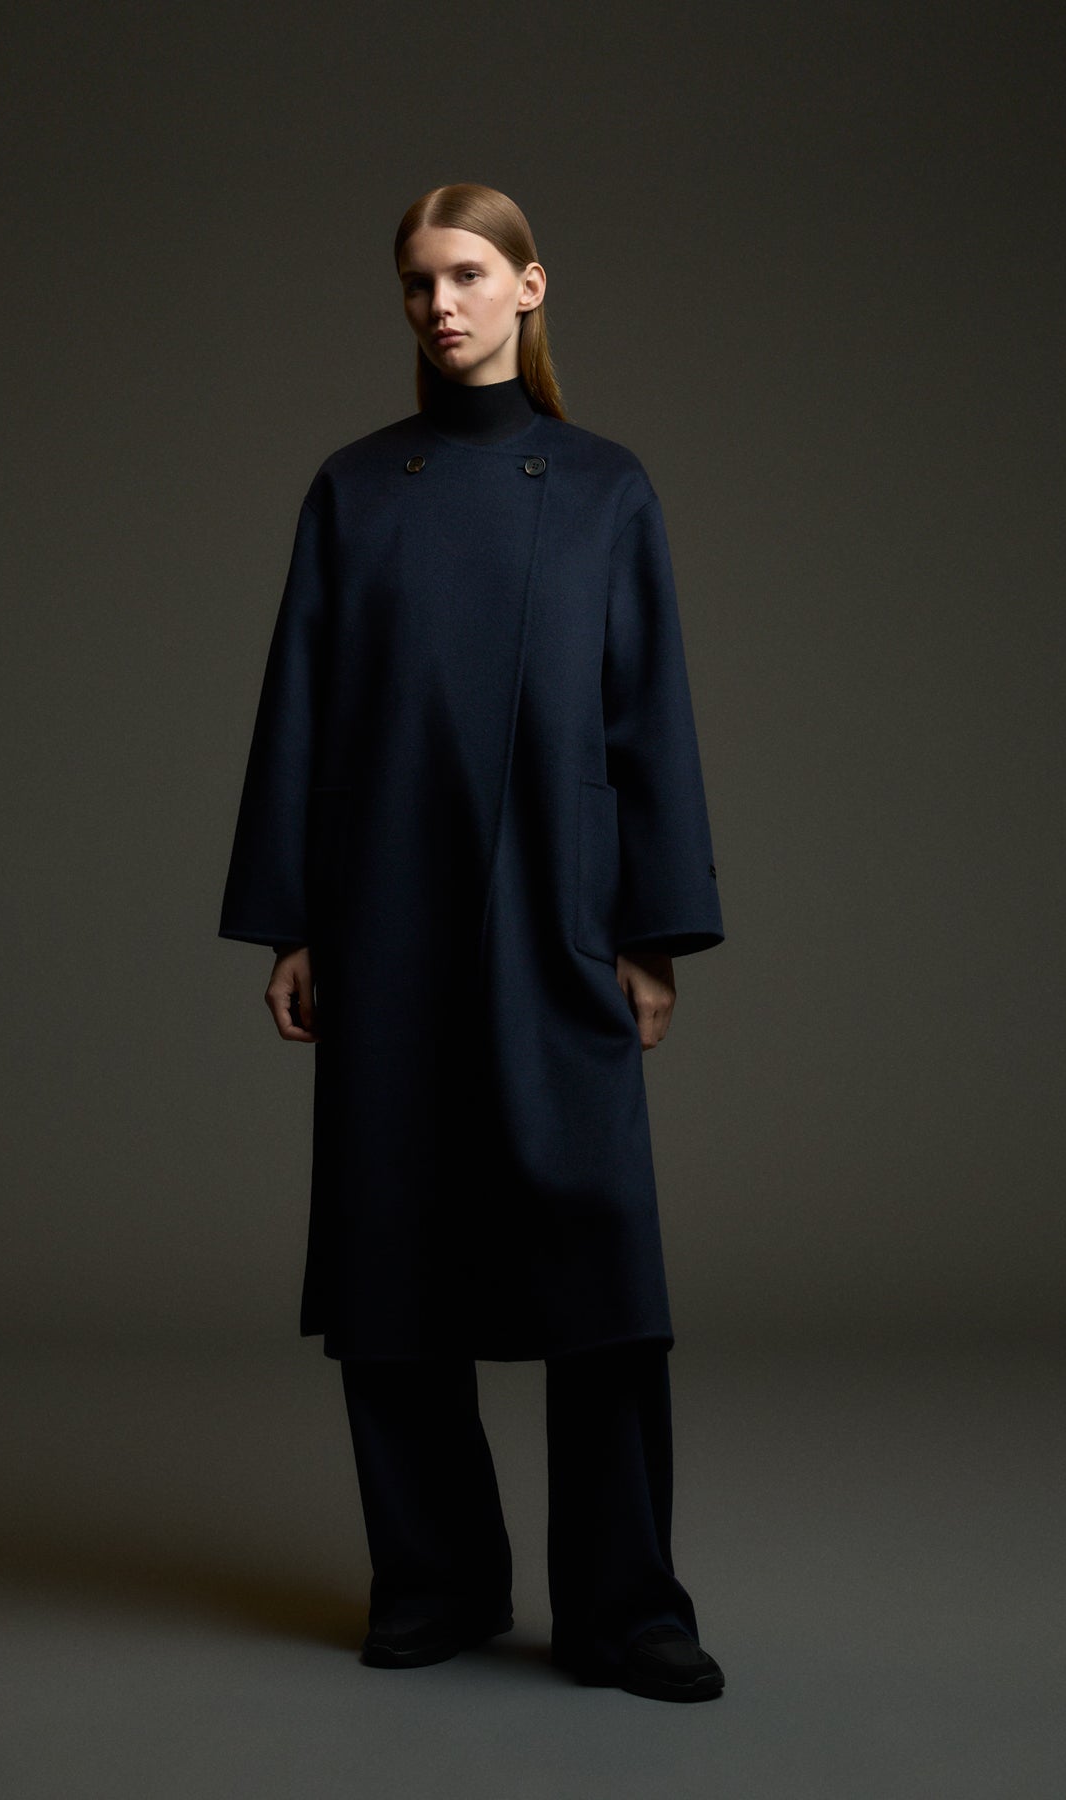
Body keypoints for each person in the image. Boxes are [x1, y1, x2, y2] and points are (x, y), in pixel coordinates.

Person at [218, 183, 727, 1704]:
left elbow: (651, 717)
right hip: (386, 912)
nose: (440, 304)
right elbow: (300, 708)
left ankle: (626, 1607)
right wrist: (294, 923)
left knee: (600, 1267)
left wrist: (652, 933)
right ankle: (433, 1580)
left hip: (560, 912)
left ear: (529, 286)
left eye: (466, 274)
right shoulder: (354, 488)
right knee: (392, 1249)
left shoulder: (608, 486)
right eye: (417, 282)